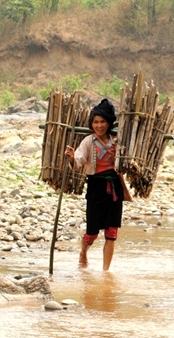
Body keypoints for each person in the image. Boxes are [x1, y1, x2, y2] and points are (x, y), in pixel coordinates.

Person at [64, 99, 126, 271]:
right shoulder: (88, 142)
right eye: (96, 122)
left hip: (114, 188)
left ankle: (106, 271)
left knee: (112, 232)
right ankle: (83, 251)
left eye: (102, 122)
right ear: (91, 124)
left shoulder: (117, 141)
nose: (99, 126)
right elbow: (78, 160)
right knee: (92, 232)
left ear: (108, 123)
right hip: (96, 188)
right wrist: (71, 157)